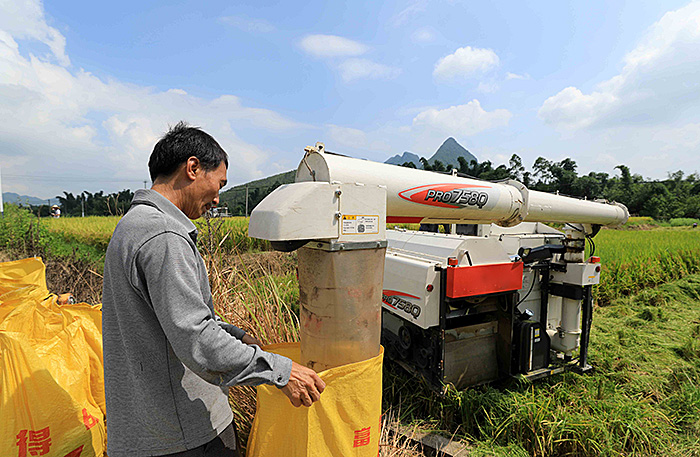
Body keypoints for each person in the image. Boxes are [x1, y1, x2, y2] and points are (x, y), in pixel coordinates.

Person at [102, 122, 325, 457]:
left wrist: (235, 335)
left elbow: (179, 318)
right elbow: (197, 338)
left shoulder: (134, 226)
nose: (218, 197)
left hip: (150, 430)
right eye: (219, 183)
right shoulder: (164, 236)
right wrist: (281, 371)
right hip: (182, 436)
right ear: (192, 168)